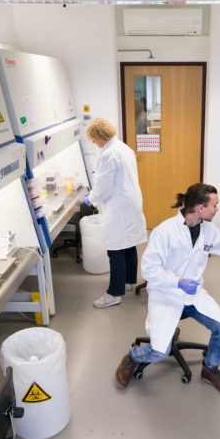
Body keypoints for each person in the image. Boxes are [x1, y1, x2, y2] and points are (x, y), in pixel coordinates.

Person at [114, 183, 220, 395]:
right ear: (199, 207)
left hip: (193, 294)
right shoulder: (165, 231)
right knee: (160, 351)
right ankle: (133, 357)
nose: (217, 209)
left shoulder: (207, 230)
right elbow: (149, 270)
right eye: (214, 205)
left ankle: (210, 369)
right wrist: (177, 282)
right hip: (166, 293)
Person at [84, 118, 147, 308]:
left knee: (116, 249)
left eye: (93, 139)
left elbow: (103, 186)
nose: (93, 143)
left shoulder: (108, 154)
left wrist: (91, 199)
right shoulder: (123, 148)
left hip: (120, 206)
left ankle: (114, 294)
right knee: (128, 244)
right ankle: (128, 281)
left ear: (99, 137)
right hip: (130, 201)